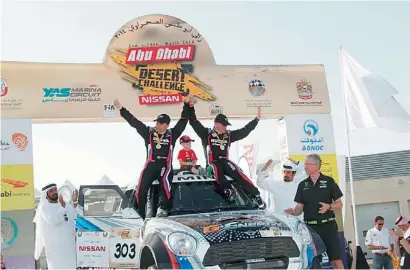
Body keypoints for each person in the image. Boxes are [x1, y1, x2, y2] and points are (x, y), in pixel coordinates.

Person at [114, 97, 191, 218]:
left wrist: (186, 105)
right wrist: (121, 109)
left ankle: (162, 208)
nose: (157, 125)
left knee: (165, 183)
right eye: (156, 122)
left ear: (166, 125)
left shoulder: (172, 134)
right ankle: (140, 214)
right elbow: (134, 122)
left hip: (165, 165)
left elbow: (183, 121)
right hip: (151, 164)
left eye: (160, 123)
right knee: (141, 187)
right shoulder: (148, 132)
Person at [188, 101, 264, 208]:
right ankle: (229, 191)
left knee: (238, 173)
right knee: (217, 171)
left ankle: (255, 194)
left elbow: (244, 131)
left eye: (226, 125)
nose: (226, 128)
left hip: (225, 161)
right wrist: (190, 108)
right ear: (216, 124)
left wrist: (256, 120)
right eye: (224, 125)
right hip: (212, 162)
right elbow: (194, 123)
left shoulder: (228, 135)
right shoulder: (207, 134)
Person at [285, 153, 344, 269]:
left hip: (328, 226)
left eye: (307, 164)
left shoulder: (329, 181)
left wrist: (329, 207)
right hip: (311, 229)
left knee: (336, 261)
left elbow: (339, 204)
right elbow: (299, 209)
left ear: (316, 166)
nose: (305, 166)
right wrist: (292, 212)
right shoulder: (303, 185)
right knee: (314, 263)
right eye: (305, 164)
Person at [33, 183, 77, 269]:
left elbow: (74, 215)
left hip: (68, 246)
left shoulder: (63, 203)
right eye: (51, 191)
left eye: (55, 189)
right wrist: (63, 208)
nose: (54, 192)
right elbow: (53, 220)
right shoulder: (44, 207)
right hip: (54, 248)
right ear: (46, 194)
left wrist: (73, 201)